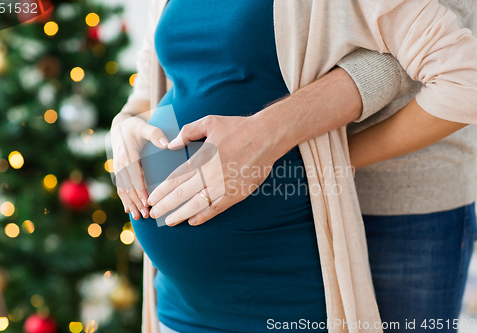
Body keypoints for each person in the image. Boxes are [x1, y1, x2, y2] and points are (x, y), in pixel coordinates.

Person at [110, 0, 477, 332]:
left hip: (292, 281)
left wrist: (324, 160)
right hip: (178, 304)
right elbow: (155, 82)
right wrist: (124, 125)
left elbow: (458, 73)